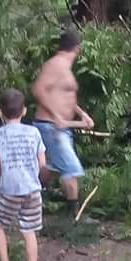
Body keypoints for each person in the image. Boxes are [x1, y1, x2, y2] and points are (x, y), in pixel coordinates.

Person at [0, 88, 45, 261]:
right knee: (29, 231)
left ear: (0, 112)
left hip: (9, 190)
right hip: (33, 189)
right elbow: (42, 163)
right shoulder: (34, 133)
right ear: (24, 111)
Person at [32, 29, 94, 217]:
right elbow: (38, 89)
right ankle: (74, 217)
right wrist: (56, 116)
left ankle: (30, 193)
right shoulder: (56, 65)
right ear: (77, 48)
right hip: (51, 126)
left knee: (53, 168)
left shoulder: (64, 68)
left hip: (62, 127)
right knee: (71, 169)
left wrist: (82, 115)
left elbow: (65, 97)